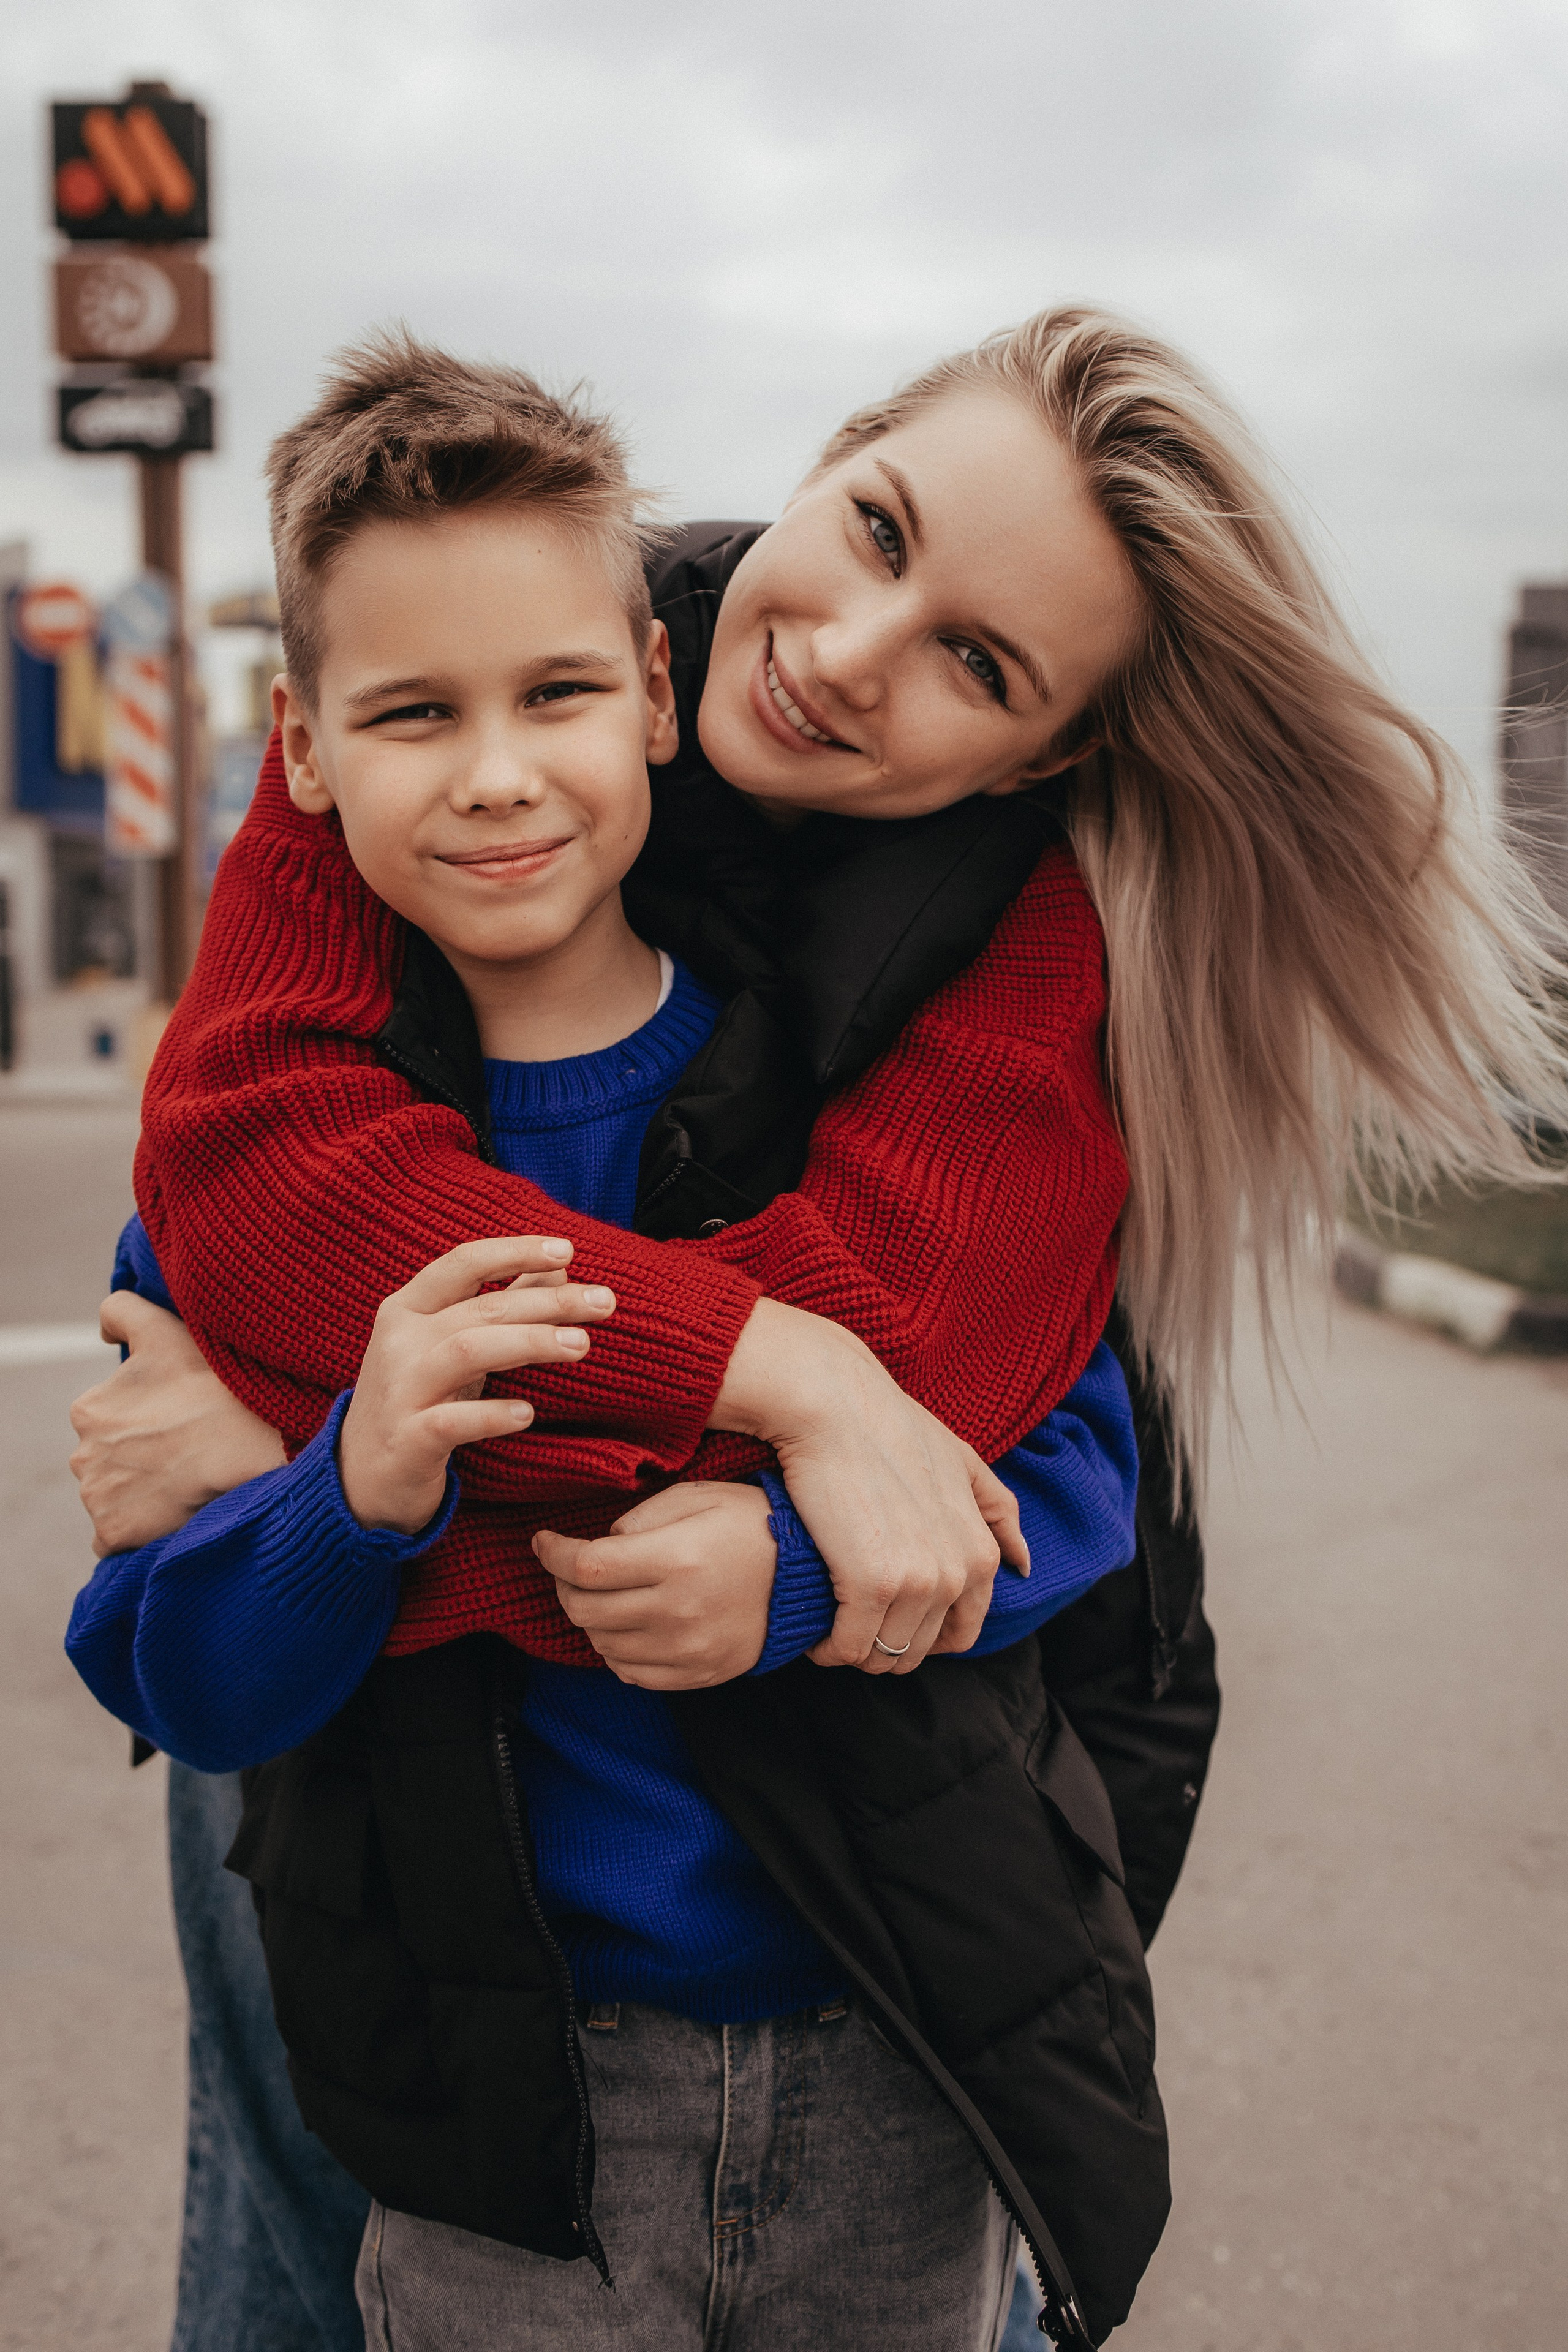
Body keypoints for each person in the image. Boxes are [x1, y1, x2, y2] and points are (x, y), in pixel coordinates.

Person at [71, 305, 1567, 2344]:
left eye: (980, 662)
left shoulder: (1025, 934)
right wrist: (758, 1386)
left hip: (791, 1891)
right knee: (292, 2250)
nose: (853, 650)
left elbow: (949, 1421)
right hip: (370, 1774)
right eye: (878, 526)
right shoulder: (473, 633)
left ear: (1048, 753)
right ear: (838, 447)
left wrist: (318, 1463)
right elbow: (255, 1166)